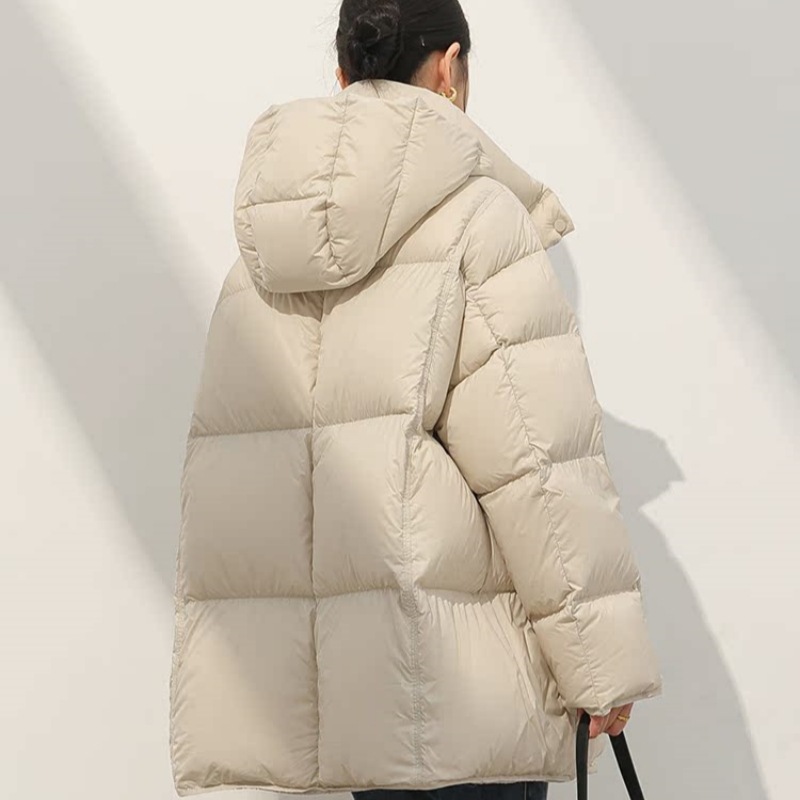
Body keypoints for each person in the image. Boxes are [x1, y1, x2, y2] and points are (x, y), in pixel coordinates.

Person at [168, 0, 663, 798]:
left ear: (342, 72)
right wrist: (600, 667)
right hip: (460, 702)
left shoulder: (257, 259)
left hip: (331, 717)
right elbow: (536, 468)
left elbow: (236, 496)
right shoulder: (478, 222)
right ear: (449, 67)